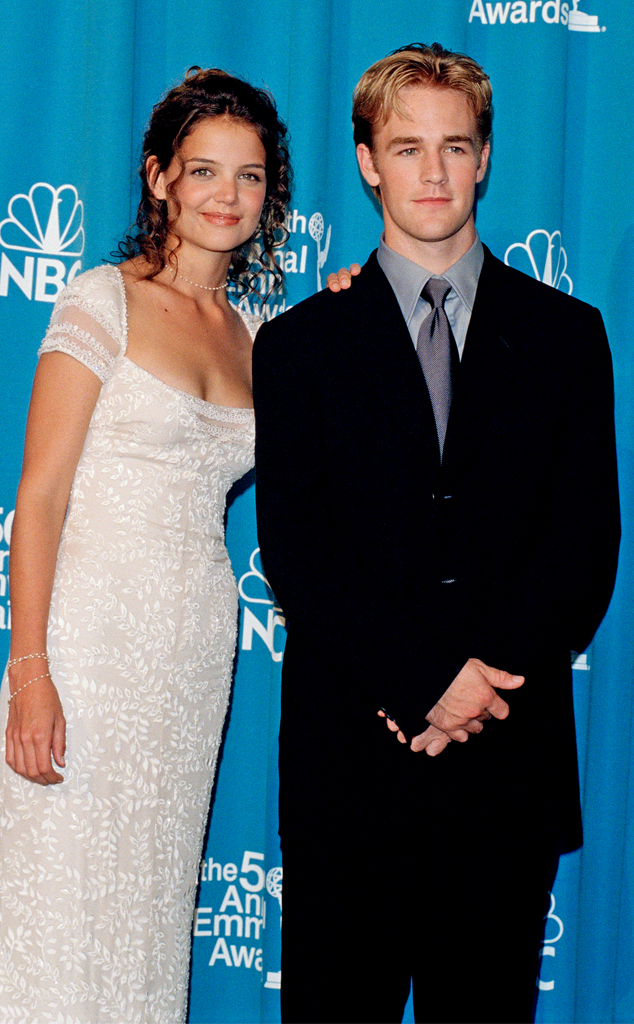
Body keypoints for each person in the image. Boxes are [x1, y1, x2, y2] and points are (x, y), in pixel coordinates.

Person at [253, 42, 620, 1024]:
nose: (432, 171)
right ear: (368, 161)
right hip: (348, 779)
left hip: (505, 775)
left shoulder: (567, 336)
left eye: (453, 147)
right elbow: (297, 548)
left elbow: (582, 547)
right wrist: (418, 679)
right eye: (406, 147)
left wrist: (471, 687)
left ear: (485, 158)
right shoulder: (298, 347)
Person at [0, 67, 290, 1024]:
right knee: (58, 897)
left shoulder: (255, 334)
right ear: (158, 176)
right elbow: (38, 499)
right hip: (84, 645)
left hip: (193, 654)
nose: (226, 196)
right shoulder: (100, 300)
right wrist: (29, 668)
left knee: (151, 903)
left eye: (249, 177)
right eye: (203, 171)